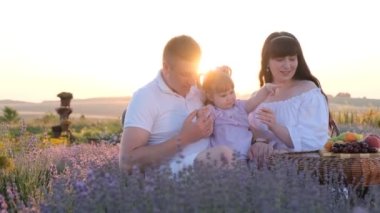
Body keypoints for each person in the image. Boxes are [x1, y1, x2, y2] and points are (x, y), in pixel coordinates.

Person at [119, 35, 232, 175]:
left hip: (209, 163)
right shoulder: (145, 97)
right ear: (166, 68)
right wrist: (184, 138)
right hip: (171, 174)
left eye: (195, 74)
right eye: (185, 74)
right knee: (223, 156)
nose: (192, 81)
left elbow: (229, 108)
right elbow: (126, 161)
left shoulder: (197, 92)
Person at [247, 31, 330, 165]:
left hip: (299, 168)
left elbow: (315, 139)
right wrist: (258, 141)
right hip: (256, 169)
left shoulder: (308, 91)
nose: (287, 66)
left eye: (292, 59)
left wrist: (274, 126)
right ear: (267, 62)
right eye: (280, 60)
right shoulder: (258, 96)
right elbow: (238, 129)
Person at [201, 66, 278, 160]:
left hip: (249, 154)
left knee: (271, 155)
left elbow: (254, 101)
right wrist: (203, 113)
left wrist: (266, 89)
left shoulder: (240, 107)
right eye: (223, 95)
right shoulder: (214, 111)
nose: (230, 98)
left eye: (231, 92)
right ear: (211, 97)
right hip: (228, 158)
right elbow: (203, 119)